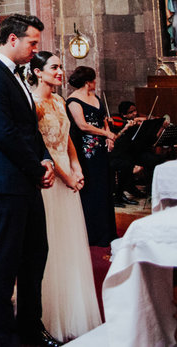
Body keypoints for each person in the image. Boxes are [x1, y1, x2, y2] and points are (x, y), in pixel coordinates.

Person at [0, 13, 58, 347]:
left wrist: (45, 158)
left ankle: (30, 330)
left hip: (24, 181)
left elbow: (28, 128)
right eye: (32, 43)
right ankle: (6, 340)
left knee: (35, 255)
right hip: (4, 185)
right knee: (4, 264)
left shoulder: (16, 76)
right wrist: (37, 169)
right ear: (12, 40)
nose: (36, 50)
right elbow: (4, 135)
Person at [28, 51, 102, 342]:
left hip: (68, 176)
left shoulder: (59, 101)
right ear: (37, 72)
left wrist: (77, 166)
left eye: (61, 66)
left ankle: (75, 306)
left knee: (71, 243)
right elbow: (41, 147)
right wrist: (66, 175)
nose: (61, 72)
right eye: (54, 67)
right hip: (49, 180)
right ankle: (49, 313)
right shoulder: (33, 105)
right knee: (50, 244)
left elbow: (67, 138)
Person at [66, 65, 118, 247]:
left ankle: (108, 232)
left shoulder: (95, 97)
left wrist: (108, 134)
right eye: (94, 80)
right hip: (86, 151)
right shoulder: (73, 101)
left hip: (101, 150)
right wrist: (106, 135)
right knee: (92, 189)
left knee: (104, 187)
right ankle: (92, 233)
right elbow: (82, 126)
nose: (95, 83)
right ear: (88, 82)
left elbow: (103, 119)